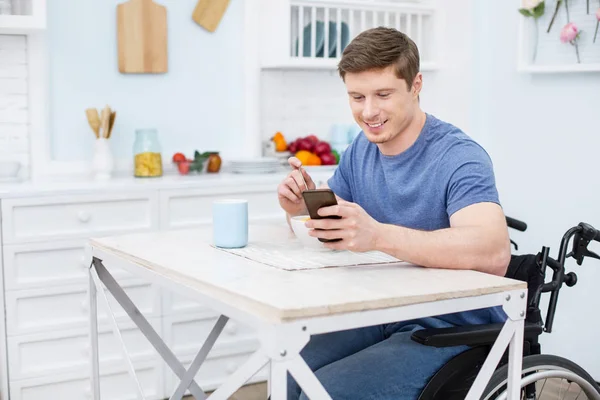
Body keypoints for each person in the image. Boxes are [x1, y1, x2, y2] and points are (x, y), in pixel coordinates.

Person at [276, 26, 511, 400]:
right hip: (380, 311)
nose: (368, 112)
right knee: (286, 371)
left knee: (325, 392)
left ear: (416, 85)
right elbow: (333, 226)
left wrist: (380, 235)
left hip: (451, 326)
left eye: (383, 94)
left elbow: (494, 254)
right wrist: (299, 205)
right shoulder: (361, 150)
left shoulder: (460, 157)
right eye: (357, 96)